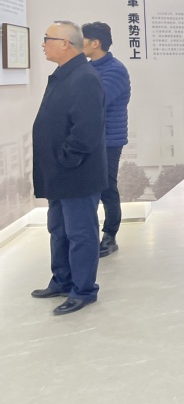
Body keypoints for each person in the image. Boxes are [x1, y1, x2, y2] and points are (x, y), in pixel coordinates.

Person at [31, 21, 107, 315]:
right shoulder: (66, 74)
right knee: (59, 230)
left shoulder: (84, 77)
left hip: (77, 173)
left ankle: (84, 289)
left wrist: (66, 159)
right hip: (59, 173)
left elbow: (86, 131)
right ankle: (62, 280)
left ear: (65, 43)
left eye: (47, 38)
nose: (43, 44)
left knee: (81, 233)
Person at [81, 21, 131, 258]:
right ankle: (89, 235)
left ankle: (110, 235)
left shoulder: (115, 70)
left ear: (95, 43)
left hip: (109, 140)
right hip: (91, 137)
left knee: (107, 188)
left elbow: (96, 101)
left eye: (82, 39)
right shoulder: (88, 67)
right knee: (91, 187)